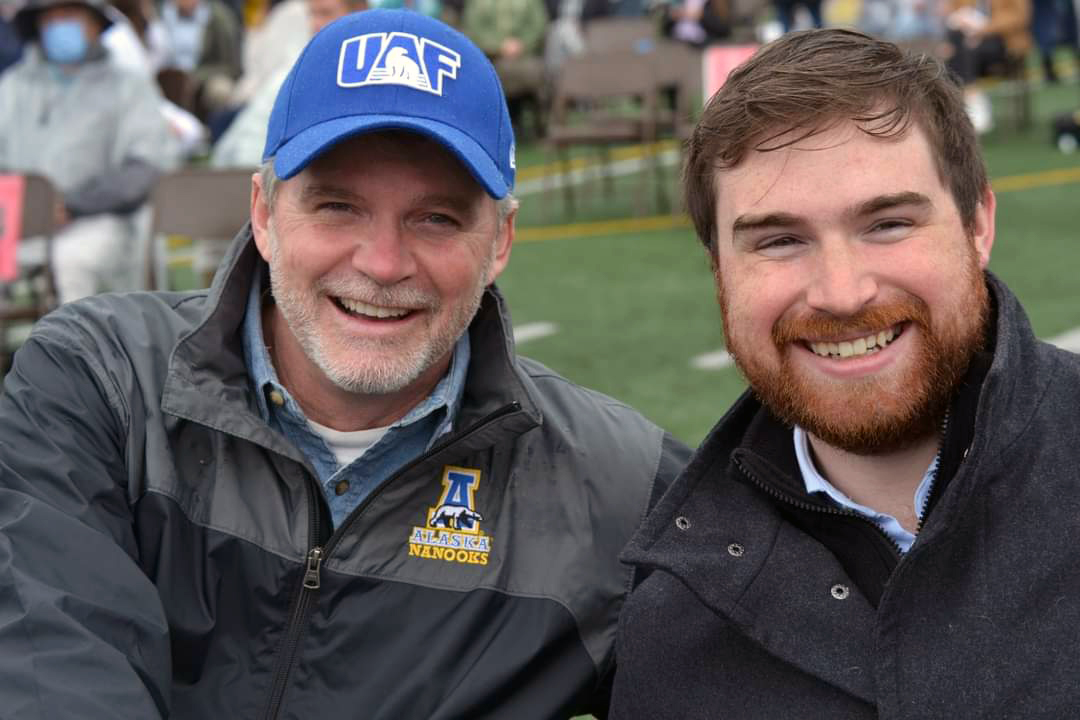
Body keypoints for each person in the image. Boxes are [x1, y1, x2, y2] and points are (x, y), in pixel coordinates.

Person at [0, 8, 690, 719]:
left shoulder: (621, 484)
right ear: (264, 214)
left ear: (502, 240)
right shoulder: (102, 387)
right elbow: (51, 670)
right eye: (337, 206)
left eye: (437, 218)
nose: (383, 264)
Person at [611, 28, 1080, 718]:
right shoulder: (671, 628)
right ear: (720, 274)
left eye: (887, 223)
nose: (841, 292)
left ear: (978, 223)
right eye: (779, 240)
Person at [1, 0, 178, 303]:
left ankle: (69, 350)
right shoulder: (14, 85)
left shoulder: (129, 85)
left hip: (99, 220)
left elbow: (145, 166)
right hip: (15, 219)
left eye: (69, 15)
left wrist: (72, 205)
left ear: (95, 24)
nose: (60, 27)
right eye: (51, 19)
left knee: (73, 263)